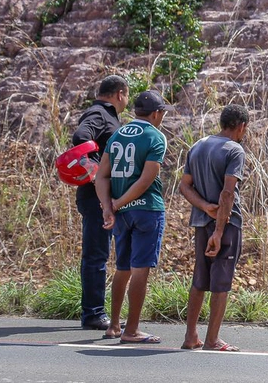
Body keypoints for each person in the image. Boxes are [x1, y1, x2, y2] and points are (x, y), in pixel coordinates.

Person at [96, 90, 171, 344]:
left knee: (123, 268)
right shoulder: (155, 136)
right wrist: (118, 202)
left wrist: (108, 206)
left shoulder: (117, 134)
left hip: (122, 213)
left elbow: (101, 175)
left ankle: (114, 325)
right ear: (157, 113)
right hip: (146, 210)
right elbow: (146, 179)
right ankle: (132, 330)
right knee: (140, 270)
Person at [179, 104, 249, 352]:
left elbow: (184, 186)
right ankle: (212, 340)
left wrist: (204, 206)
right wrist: (219, 230)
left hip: (200, 221)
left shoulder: (198, 145)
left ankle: (190, 337)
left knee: (199, 279)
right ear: (241, 127)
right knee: (221, 281)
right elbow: (228, 192)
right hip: (226, 225)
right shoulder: (234, 150)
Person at [70, 75, 128, 332]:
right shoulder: (100, 114)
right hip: (95, 198)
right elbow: (81, 136)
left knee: (99, 254)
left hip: (100, 197)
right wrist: (96, 174)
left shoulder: (105, 115)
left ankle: (94, 311)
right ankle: (93, 314)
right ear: (120, 93)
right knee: (96, 255)